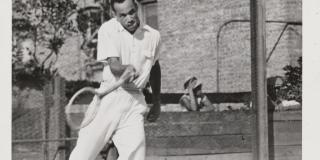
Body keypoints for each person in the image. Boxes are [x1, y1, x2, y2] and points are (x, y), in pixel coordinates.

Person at [68, 0, 161, 159]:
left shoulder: (154, 36)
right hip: (108, 98)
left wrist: (157, 101)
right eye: (123, 15)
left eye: (131, 12)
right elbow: (113, 65)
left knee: (136, 157)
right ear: (115, 15)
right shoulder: (108, 29)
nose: (129, 18)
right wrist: (126, 68)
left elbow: (155, 67)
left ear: (137, 8)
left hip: (136, 102)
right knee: (82, 155)